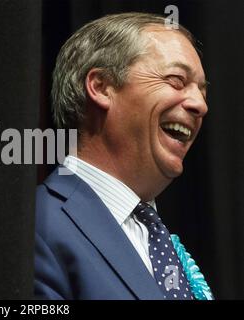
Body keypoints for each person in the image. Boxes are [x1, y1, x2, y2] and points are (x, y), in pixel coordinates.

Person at [34, 12, 213, 300]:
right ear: (101, 87)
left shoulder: (158, 239)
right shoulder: (39, 226)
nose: (200, 105)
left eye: (202, 92)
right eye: (177, 80)